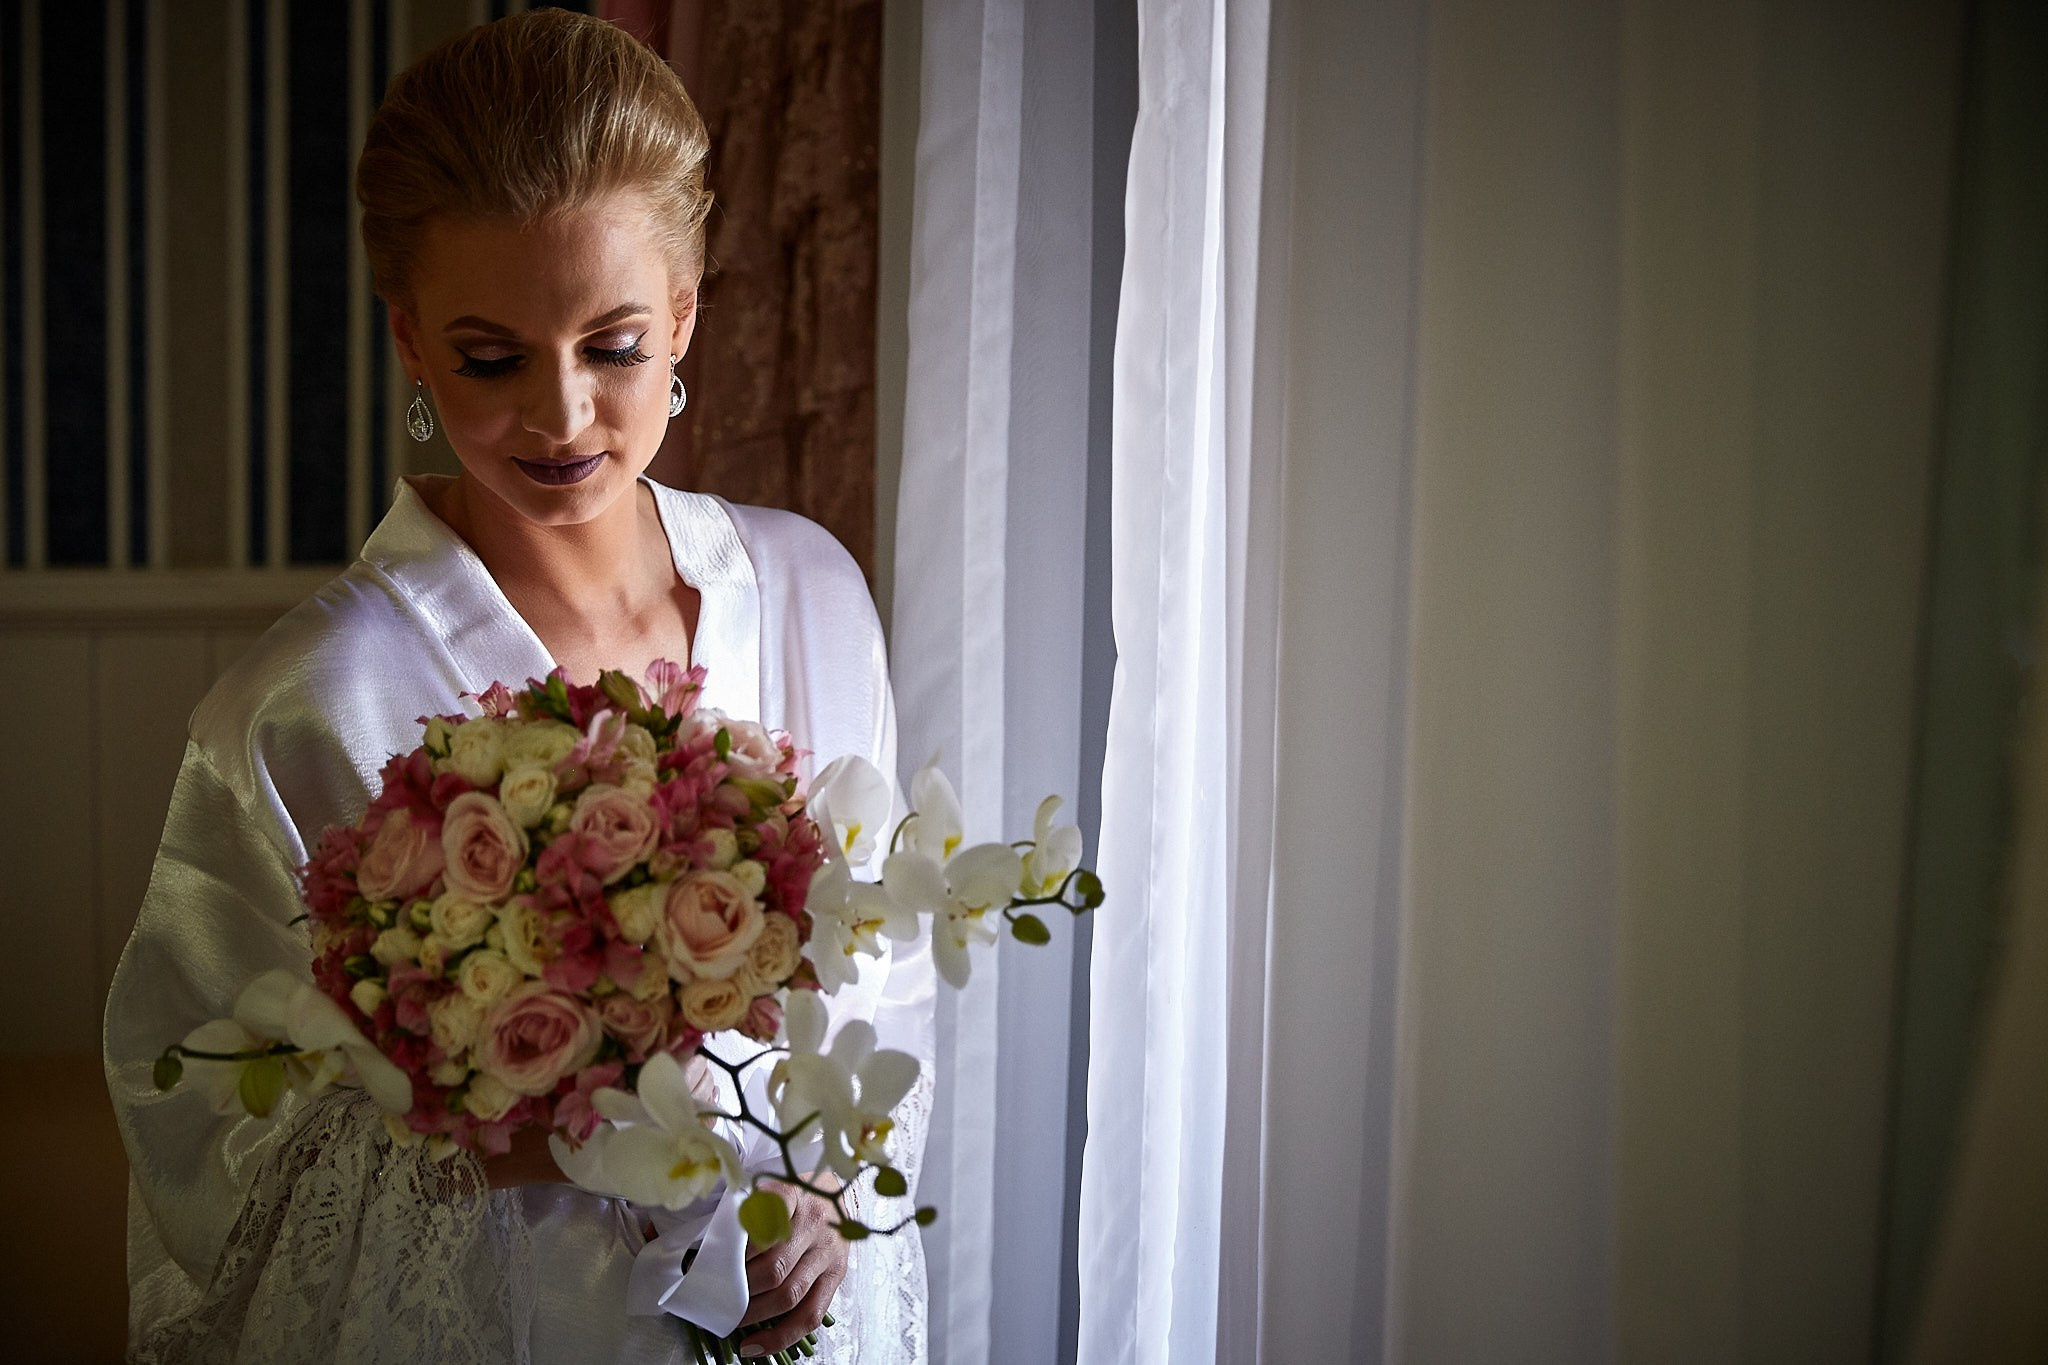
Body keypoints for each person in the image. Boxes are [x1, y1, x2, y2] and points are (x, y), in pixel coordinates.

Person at [102, 11, 934, 1362]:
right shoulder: (307, 705)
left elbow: (888, 981)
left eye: (611, 345)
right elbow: (209, 1136)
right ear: (412, 343)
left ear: (684, 313)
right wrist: (509, 1128)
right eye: (491, 357)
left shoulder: (812, 595)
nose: (558, 416)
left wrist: (832, 1188)